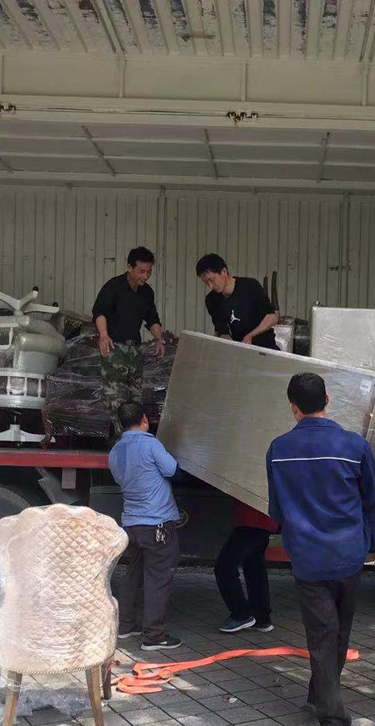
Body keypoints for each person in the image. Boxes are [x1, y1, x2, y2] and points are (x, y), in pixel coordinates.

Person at [266, 373, 375, 726]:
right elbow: (371, 501)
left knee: (322, 635)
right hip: (349, 555)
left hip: (308, 558)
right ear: (328, 399)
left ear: (293, 407)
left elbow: (276, 510)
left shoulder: (278, 449)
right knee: (338, 632)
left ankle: (322, 701)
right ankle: (333, 720)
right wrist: (373, 543)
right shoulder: (354, 445)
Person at [108, 401, 182, 652]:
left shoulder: (115, 451)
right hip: (157, 523)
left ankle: (126, 625)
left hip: (132, 523)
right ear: (145, 420)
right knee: (158, 578)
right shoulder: (150, 444)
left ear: (121, 425)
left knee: (134, 574)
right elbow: (172, 470)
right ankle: (153, 636)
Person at [92, 247, 166, 435]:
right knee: (117, 399)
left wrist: (159, 339)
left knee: (135, 400)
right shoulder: (114, 287)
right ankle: (121, 439)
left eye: (149, 272)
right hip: (114, 348)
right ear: (129, 267)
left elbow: (152, 319)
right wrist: (104, 335)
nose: (145, 276)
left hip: (135, 351)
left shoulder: (146, 292)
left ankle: (134, 438)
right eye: (141, 271)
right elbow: (99, 313)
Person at [214, 500, 279, 633]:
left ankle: (241, 614)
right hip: (264, 520)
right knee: (254, 567)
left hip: (251, 520)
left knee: (225, 566)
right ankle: (262, 617)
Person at [196, 253, 279, 349]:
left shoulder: (250, 286)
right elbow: (222, 329)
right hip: (238, 351)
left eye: (212, 280)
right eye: (206, 282)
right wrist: (227, 340)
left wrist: (250, 336)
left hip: (265, 349)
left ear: (224, 271)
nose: (210, 286)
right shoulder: (211, 300)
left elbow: (272, 317)